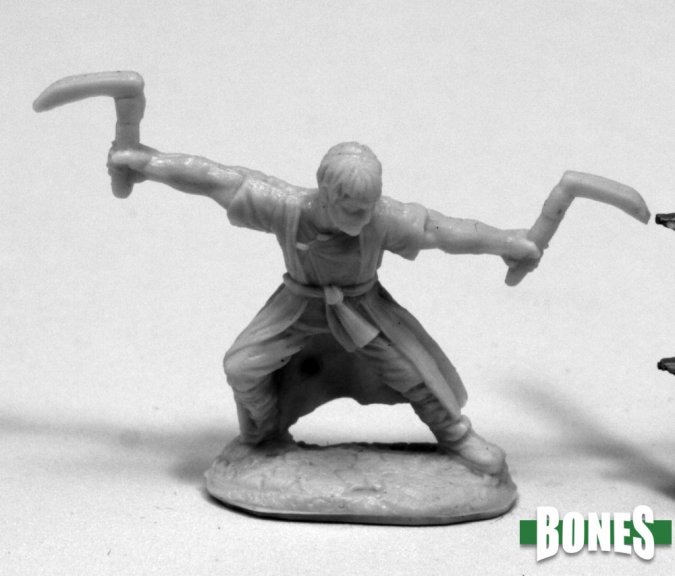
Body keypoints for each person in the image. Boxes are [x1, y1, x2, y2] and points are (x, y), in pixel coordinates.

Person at [109, 141, 541, 475]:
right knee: (241, 367)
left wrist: (507, 242)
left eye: (367, 209)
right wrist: (147, 164)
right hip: (298, 306)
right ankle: (262, 437)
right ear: (326, 194)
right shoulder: (286, 207)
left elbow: (442, 232)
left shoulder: (382, 217)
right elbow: (214, 178)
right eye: (351, 210)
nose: (361, 219)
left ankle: (456, 436)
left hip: (362, 310)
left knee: (414, 373)